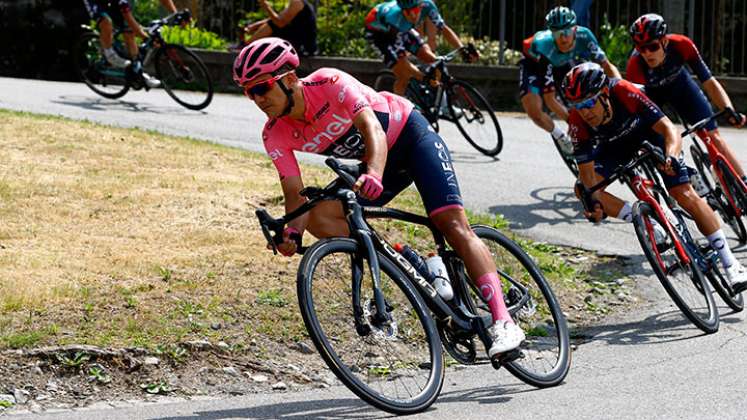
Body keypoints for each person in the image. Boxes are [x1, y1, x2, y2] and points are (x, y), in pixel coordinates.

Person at [234, 37, 525, 357]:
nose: (256, 98)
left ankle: (503, 321)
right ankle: (407, 260)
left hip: (410, 138)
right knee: (320, 216)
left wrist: (373, 172)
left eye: (261, 87)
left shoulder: (329, 82)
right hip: (376, 162)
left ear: (289, 79)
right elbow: (294, 192)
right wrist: (291, 233)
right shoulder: (274, 132)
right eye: (249, 92)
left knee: (451, 224)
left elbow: (372, 127)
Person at [563, 62, 747, 286]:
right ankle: (646, 221)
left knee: (684, 193)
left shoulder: (623, 90)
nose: (585, 111)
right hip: (613, 148)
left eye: (589, 102)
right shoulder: (576, 122)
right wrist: (592, 201)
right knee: (582, 189)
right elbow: (588, 178)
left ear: (604, 93)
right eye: (578, 105)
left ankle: (730, 263)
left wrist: (671, 156)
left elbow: (670, 129)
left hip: (650, 134)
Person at [626, 14, 747, 184]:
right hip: (653, 99)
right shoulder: (635, 66)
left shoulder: (682, 45)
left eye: (652, 47)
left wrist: (729, 110)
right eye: (640, 48)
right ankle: (691, 179)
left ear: (664, 41)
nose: (647, 53)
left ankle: (743, 182)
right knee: (665, 148)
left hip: (682, 88)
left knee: (713, 137)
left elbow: (709, 82)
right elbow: (638, 111)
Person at [521, 6, 620, 156]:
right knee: (534, 111)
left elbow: (606, 65)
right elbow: (550, 99)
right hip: (535, 64)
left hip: (564, 61)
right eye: (557, 33)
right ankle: (560, 136)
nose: (563, 38)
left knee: (585, 86)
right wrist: (573, 122)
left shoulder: (584, 36)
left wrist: (620, 87)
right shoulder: (544, 46)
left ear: (575, 29)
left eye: (567, 31)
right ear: (551, 33)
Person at [364, 0, 477, 96]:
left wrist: (462, 49)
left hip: (403, 28)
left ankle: (442, 104)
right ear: (401, 9)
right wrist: (423, 77)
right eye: (407, 12)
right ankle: (397, 108)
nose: (412, 16)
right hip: (379, 34)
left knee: (431, 58)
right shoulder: (394, 17)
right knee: (403, 74)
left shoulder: (427, 5)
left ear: (421, 6)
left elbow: (443, 29)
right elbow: (401, 60)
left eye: (415, 11)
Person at [82, 0, 177, 88]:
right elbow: (129, 20)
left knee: (129, 32)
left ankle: (137, 71)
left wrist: (176, 14)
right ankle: (109, 54)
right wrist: (146, 38)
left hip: (111, 2)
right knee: (106, 22)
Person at [243, 0, 317, 56]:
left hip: (305, 47)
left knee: (273, 25)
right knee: (273, 24)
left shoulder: (297, 2)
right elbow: (277, 18)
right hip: (298, 41)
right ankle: (248, 45)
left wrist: (267, 7)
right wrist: (254, 26)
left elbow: (279, 23)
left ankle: (247, 46)